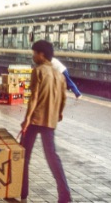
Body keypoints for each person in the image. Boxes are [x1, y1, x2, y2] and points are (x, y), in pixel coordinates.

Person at [19, 40, 71, 203]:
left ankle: (23, 192)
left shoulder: (38, 71)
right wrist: (59, 113)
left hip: (35, 120)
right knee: (52, 157)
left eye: (34, 53)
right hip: (50, 121)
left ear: (41, 54)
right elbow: (63, 99)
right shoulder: (59, 75)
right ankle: (65, 194)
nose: (33, 56)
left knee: (24, 156)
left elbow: (33, 97)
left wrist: (27, 119)